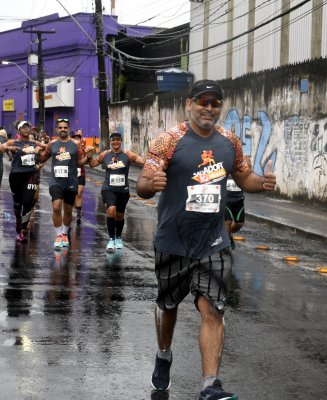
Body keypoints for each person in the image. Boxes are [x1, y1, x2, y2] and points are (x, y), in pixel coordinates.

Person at [136, 79, 276, 400]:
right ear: (189, 104)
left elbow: (245, 177)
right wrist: (151, 183)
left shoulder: (230, 142)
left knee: (213, 309)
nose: (209, 108)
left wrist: (262, 184)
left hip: (214, 242)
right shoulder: (169, 141)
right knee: (167, 304)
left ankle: (209, 384)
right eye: (203, 102)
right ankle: (164, 353)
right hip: (173, 241)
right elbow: (143, 184)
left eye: (215, 103)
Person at [39, 118, 92, 250]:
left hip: (71, 181)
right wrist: (37, 152)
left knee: (68, 210)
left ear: (68, 129)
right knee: (56, 207)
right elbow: (43, 158)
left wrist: (89, 156)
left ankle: (64, 233)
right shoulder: (52, 144)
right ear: (57, 129)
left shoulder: (76, 144)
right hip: (56, 181)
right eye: (60, 127)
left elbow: (80, 162)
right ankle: (58, 236)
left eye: (65, 127)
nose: (63, 129)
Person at [86, 132, 144, 252]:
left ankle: (118, 238)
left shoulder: (127, 154)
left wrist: (152, 156)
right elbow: (92, 164)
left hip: (123, 190)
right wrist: (89, 156)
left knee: (120, 215)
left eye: (118, 140)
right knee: (111, 210)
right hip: (108, 188)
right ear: (110, 141)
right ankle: (111, 239)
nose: (115, 142)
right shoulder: (105, 154)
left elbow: (143, 161)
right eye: (113, 140)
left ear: (121, 141)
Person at [0, 121, 44, 242]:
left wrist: (40, 156)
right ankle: (18, 220)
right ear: (19, 131)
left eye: (28, 127)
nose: (26, 129)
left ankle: (23, 230)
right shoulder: (14, 142)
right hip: (16, 176)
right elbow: (2, 147)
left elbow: (46, 151)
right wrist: (8, 148)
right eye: (23, 127)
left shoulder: (34, 143)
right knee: (17, 204)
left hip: (31, 176)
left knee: (28, 203)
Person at [224, 155, 252, 249]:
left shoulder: (243, 162)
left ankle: (227, 235)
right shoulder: (225, 161)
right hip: (226, 198)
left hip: (238, 199)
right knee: (227, 222)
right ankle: (226, 245)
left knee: (239, 224)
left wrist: (247, 165)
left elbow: (250, 175)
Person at [71, 129, 86, 224]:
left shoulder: (83, 150)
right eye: (75, 139)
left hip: (81, 174)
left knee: (79, 193)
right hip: (70, 175)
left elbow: (87, 160)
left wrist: (88, 157)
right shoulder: (69, 150)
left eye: (78, 139)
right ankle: (71, 209)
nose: (77, 140)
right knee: (71, 195)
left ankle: (78, 214)